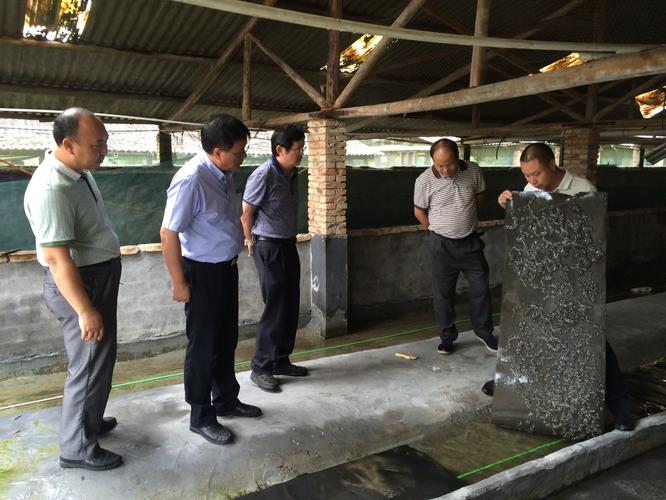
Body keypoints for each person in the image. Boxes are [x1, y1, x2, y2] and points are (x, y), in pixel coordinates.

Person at [488, 142, 635, 432]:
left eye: (537, 173)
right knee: (529, 335)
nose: (532, 180)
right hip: (541, 283)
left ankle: (622, 407)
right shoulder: (529, 193)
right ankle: (512, 387)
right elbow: (525, 238)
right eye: (527, 175)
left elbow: (594, 240)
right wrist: (508, 202)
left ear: (552, 164)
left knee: (591, 343)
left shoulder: (583, 189)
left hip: (575, 282)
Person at [23, 108, 122, 471]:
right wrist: (85, 309)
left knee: (100, 359)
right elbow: (57, 259)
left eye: (106, 141)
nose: (104, 150)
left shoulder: (77, 170)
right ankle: (77, 448)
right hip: (82, 283)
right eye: (98, 144)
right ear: (68, 144)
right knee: (88, 364)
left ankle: (89, 423)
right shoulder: (52, 187)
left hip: (96, 277)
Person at [160, 114, 262, 446]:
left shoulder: (223, 174)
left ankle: (226, 400)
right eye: (238, 152)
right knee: (202, 346)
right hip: (200, 274)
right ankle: (201, 415)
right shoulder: (192, 179)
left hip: (224, 269)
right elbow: (168, 232)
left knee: (225, 339)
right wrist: (179, 281)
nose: (242, 157)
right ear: (217, 152)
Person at [413, 138, 498, 355]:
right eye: (439, 165)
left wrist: (466, 218)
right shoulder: (424, 181)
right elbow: (419, 211)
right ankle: (448, 336)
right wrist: (437, 229)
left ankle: (484, 331)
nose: (445, 170)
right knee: (443, 294)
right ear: (432, 161)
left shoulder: (473, 171)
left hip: (471, 242)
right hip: (442, 246)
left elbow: (479, 196)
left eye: (449, 164)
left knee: (480, 288)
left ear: (458, 157)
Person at [241, 124, 308, 393]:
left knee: (290, 303)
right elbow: (246, 213)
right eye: (298, 149)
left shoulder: (292, 174)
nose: (301, 154)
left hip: (287, 245)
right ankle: (261, 367)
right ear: (280, 150)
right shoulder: (263, 174)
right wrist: (250, 241)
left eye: (303, 148)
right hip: (268, 247)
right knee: (275, 306)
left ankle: (281, 359)